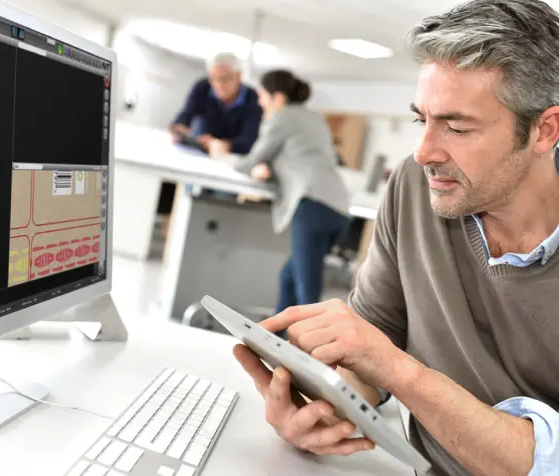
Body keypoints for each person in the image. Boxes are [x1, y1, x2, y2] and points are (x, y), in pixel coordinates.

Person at [233, 1, 559, 475]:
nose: (424, 152)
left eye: (457, 127)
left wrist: (395, 367)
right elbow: (372, 346)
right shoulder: (414, 185)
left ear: (545, 130)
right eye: (420, 119)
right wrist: (323, 406)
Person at [227, 70, 351, 312]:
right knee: (289, 277)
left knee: (308, 292)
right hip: (339, 209)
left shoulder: (281, 118)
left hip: (313, 206)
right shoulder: (314, 118)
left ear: (278, 98)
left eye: (263, 96)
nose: (260, 102)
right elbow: (296, 159)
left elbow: (252, 160)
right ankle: (274, 337)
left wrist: (221, 155)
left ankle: (309, 348)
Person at [170, 52, 263, 155]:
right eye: (213, 78)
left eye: (224, 79)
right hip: (199, 149)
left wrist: (223, 145)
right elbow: (186, 114)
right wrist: (180, 130)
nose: (218, 85)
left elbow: (250, 139)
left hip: (231, 156)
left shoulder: (253, 98)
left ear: (238, 76)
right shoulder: (202, 87)